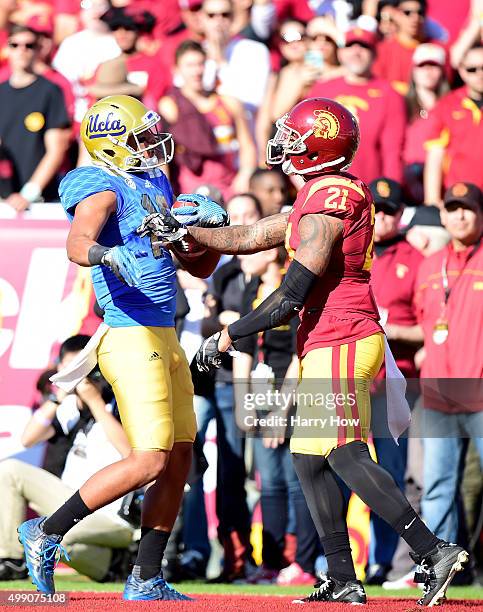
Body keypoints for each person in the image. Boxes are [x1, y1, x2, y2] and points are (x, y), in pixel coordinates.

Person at [138, 97, 470, 606]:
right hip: (327, 339)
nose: (286, 143)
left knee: (343, 452)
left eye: (295, 136)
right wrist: (185, 232)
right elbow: (251, 234)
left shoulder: (328, 203)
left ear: (317, 145)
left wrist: (230, 335)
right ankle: (342, 576)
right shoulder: (320, 193)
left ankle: (432, 550)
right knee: (309, 459)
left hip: (342, 335)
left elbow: (291, 294)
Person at [17, 94, 229, 601]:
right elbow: (76, 242)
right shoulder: (102, 186)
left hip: (165, 332)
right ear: (112, 147)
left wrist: (202, 237)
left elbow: (197, 268)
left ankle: (146, 576)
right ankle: (45, 531)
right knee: (151, 458)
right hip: (129, 334)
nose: (153, 146)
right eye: (140, 139)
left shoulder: (153, 181)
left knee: (180, 457)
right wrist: (108, 255)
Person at [1, 335, 135, 583]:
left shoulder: (121, 401)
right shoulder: (71, 407)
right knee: (9, 470)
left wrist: (95, 402)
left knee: (54, 534)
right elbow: (28, 438)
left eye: (82, 369)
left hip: (111, 516)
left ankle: (120, 560)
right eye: (71, 370)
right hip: (70, 502)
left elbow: (133, 455)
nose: (78, 377)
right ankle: (12, 559)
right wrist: (58, 396)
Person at [414, 182, 483, 546]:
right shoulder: (428, 267)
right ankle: (440, 569)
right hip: (438, 393)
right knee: (437, 486)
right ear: (442, 215)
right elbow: (422, 321)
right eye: (452, 208)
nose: (459, 215)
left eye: (467, 208)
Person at [365, 177, 424, 585]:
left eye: (389, 210)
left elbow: (433, 325)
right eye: (376, 209)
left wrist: (393, 328)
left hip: (396, 383)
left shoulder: (417, 260)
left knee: (394, 474)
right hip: (351, 379)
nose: (382, 217)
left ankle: (396, 561)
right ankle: (355, 560)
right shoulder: (352, 251)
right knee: (343, 471)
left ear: (400, 214)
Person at [159, 39, 257, 199]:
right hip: (188, 192)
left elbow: (247, 144)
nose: (197, 71)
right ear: (177, 69)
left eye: (201, 64)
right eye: (190, 65)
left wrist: (245, 175)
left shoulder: (228, 102)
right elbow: (162, 156)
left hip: (229, 187)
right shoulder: (170, 105)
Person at [308, 27, 407, 184]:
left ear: (374, 55)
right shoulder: (321, 89)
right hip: (322, 188)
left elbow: (393, 151)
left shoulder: (389, 94)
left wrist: (389, 194)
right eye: (350, 46)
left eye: (364, 46)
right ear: (340, 53)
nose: (356, 52)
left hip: (366, 190)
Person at [0, 24, 71, 210]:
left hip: (39, 200)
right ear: (7, 49)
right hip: (4, 198)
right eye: (15, 45)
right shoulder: (0, 92)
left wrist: (28, 193)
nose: (22, 50)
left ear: (39, 49)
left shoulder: (50, 91)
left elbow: (56, 149)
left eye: (29, 45)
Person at [424, 43, 483, 205]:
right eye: (472, 69)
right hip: (459, 199)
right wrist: (433, 200)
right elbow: (435, 155)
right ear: (462, 71)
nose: (480, 74)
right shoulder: (447, 105)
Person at [403, 43, 449, 205]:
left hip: (441, 181)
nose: (428, 71)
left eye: (434, 66)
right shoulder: (401, 104)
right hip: (406, 183)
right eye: (422, 66)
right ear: (413, 71)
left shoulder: (452, 106)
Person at [373, 0, 435, 95]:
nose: (415, 18)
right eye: (407, 13)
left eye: (420, 13)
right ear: (396, 15)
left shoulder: (435, 50)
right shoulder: (381, 50)